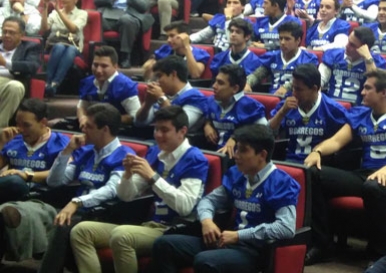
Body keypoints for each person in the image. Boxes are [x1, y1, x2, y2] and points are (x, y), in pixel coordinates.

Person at [69, 106, 209, 273]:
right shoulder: (156, 152)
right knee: (81, 231)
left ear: (182, 131)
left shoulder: (195, 159)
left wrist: (153, 177)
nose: (158, 135)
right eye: (156, 129)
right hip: (148, 225)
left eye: (165, 130)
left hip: (172, 231)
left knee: (122, 235)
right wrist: (127, 175)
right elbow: (126, 196)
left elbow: (185, 206)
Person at [305, 69, 386, 264]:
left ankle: (377, 254)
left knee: (373, 187)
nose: (362, 92)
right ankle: (322, 243)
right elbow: (335, 142)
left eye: (367, 88)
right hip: (364, 175)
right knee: (313, 174)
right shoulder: (361, 114)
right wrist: (317, 151)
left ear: (383, 92)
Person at [150, 124, 300, 273]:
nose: (236, 155)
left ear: (262, 155)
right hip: (226, 241)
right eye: (237, 149)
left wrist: (239, 235)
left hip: (253, 251)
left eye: (243, 150)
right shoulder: (237, 174)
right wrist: (207, 221)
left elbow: (286, 227)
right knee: (163, 245)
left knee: (205, 261)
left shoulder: (281, 183)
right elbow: (208, 201)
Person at [39, 103, 136, 273]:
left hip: (102, 214)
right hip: (76, 211)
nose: (83, 129)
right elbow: (54, 182)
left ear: (104, 129)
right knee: (45, 215)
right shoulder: (87, 152)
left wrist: (77, 202)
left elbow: (112, 190)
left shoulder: (124, 155)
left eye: (89, 126)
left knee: (62, 225)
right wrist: (67, 151)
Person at [269, 63, 348, 165]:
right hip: (290, 163)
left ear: (314, 89)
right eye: (293, 88)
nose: (294, 93)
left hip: (318, 166)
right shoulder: (286, 105)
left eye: (299, 89)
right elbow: (267, 133)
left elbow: (345, 141)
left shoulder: (333, 109)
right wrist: (282, 112)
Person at [0, 99, 69, 204]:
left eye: (26, 125)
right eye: (17, 124)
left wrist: (27, 175)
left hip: (37, 197)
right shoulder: (13, 139)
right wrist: (1, 143)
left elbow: (65, 172)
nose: (20, 129)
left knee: (15, 181)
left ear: (43, 122)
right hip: (6, 192)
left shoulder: (61, 142)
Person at [94, 0, 154, 68]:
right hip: (108, 17)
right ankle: (97, 54)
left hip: (129, 16)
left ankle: (125, 56)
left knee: (126, 20)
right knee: (95, 19)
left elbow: (144, 6)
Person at [135, 56, 207, 132]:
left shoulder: (196, 98)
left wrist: (161, 98)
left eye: (159, 76)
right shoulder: (163, 93)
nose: (157, 81)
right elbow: (139, 123)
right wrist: (148, 103)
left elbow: (181, 124)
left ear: (173, 74)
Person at [205, 64, 267, 153]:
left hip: (240, 158)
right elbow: (206, 117)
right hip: (217, 154)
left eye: (220, 83)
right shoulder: (212, 100)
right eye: (215, 81)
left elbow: (265, 133)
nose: (214, 86)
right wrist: (207, 125)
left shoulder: (250, 106)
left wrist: (238, 137)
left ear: (235, 88)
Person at [245, 21, 318, 96]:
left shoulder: (308, 59)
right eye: (280, 38)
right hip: (272, 98)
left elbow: (303, 80)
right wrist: (248, 83)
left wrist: (286, 88)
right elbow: (257, 75)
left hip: (294, 99)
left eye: (287, 39)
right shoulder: (273, 56)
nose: (282, 42)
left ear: (298, 40)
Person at [320, 26, 386, 105]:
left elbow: (376, 87)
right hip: (331, 105)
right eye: (348, 41)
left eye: (352, 45)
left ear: (364, 48)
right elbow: (319, 80)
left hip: (359, 109)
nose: (347, 46)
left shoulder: (376, 62)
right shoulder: (333, 54)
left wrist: (368, 59)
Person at [40, 0, 87, 97]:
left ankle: (54, 84)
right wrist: (45, 8)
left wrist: (58, 11)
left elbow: (73, 29)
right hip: (55, 45)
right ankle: (49, 83)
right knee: (60, 47)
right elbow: (44, 28)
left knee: (70, 49)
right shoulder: (55, 13)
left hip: (73, 45)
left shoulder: (82, 13)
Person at [77, 46, 140, 127]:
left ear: (115, 67)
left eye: (104, 66)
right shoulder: (88, 82)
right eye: (95, 65)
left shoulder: (126, 86)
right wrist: (83, 118)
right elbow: (81, 106)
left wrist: (105, 121)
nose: (98, 70)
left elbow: (135, 116)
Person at [0, 17, 40, 127]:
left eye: (11, 32)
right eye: (4, 31)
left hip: (9, 82)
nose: (7, 35)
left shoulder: (30, 47)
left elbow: (32, 66)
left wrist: (5, 63)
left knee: (16, 87)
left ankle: (1, 128)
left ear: (22, 35)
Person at [143, 21, 210, 82]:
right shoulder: (166, 49)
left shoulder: (199, 53)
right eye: (167, 37)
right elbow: (149, 68)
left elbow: (195, 74)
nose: (168, 40)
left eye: (172, 36)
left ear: (185, 36)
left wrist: (186, 46)